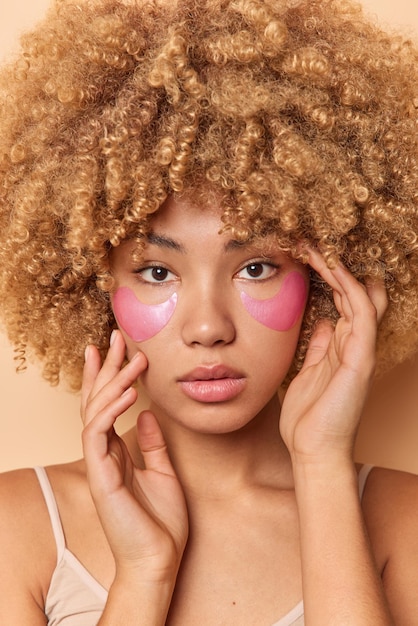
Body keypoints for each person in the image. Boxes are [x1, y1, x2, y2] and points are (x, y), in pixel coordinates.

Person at [0, 0, 418, 623]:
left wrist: (323, 465)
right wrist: (144, 574)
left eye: (256, 267)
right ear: (93, 288)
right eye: (157, 272)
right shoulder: (22, 527)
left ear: (328, 280)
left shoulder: (401, 522)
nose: (207, 328)